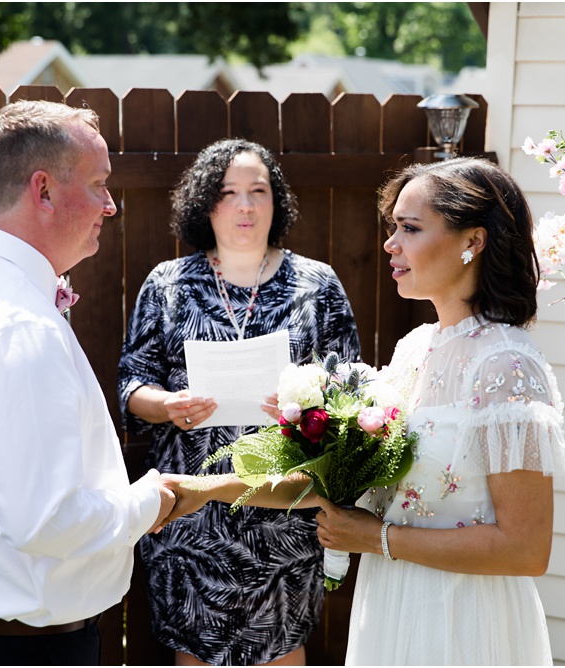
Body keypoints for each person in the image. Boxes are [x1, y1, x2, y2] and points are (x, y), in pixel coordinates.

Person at [160, 157, 565, 665]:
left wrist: (378, 539)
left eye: (410, 229)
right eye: (393, 226)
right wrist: (209, 489)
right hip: (391, 607)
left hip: (462, 622)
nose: (390, 244)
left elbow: (526, 549)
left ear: (472, 241)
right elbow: (335, 479)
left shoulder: (507, 366)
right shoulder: (414, 350)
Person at [0, 100, 179, 666]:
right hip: (26, 649)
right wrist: (148, 502)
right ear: (43, 191)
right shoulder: (18, 327)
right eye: (99, 183)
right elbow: (46, 521)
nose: (111, 205)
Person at [117, 139, 361, 666]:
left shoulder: (317, 285)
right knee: (195, 653)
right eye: (228, 193)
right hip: (190, 519)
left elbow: (350, 394)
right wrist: (167, 404)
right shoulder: (168, 284)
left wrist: (307, 409)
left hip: (284, 519)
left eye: (258, 191)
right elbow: (132, 384)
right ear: (205, 205)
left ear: (277, 202)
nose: (245, 206)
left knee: (282, 650)